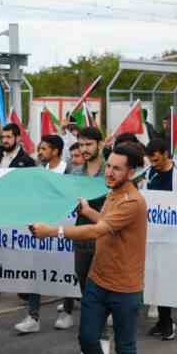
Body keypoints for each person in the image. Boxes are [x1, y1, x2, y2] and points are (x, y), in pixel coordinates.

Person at [29, 142, 147, 354]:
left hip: (125, 288)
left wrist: (53, 231)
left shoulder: (133, 201)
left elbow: (98, 231)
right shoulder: (112, 193)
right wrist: (88, 209)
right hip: (98, 280)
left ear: (131, 172)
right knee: (87, 338)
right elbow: (106, 222)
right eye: (109, 166)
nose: (110, 172)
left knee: (125, 348)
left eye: (117, 168)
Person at [13, 135, 71, 335]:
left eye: (44, 149)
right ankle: (33, 317)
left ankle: (67, 311)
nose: (40, 152)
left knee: (66, 271)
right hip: (41, 231)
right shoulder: (40, 172)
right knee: (36, 271)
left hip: (61, 231)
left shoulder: (68, 171)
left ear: (56, 151)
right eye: (39, 148)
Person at [58, 126, 107, 340]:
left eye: (89, 144)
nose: (85, 149)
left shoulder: (110, 171)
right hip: (82, 237)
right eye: (81, 145)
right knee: (86, 288)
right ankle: (92, 335)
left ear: (100, 144)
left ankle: (102, 336)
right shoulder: (75, 173)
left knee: (102, 288)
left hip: (106, 237)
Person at [141, 139, 177, 340]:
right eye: (150, 159)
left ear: (165, 154)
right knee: (155, 275)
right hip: (153, 233)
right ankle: (162, 321)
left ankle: (167, 321)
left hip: (174, 233)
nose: (153, 163)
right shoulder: (148, 173)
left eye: (156, 159)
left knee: (168, 276)